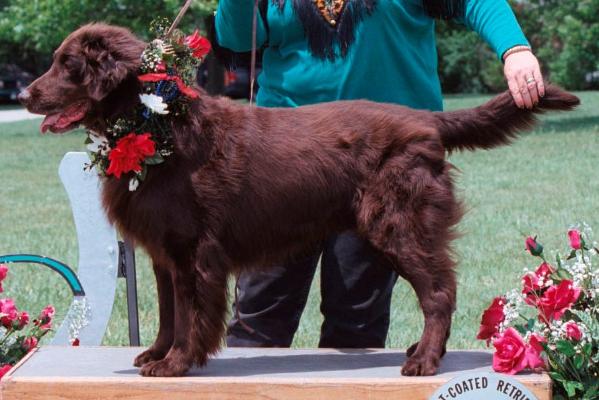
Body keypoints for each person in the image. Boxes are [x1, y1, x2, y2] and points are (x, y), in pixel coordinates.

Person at [215, 0, 544, 348]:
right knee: (258, 317)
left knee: (356, 321)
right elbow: (237, 39)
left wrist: (515, 49)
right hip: (284, 161)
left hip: (382, 158)